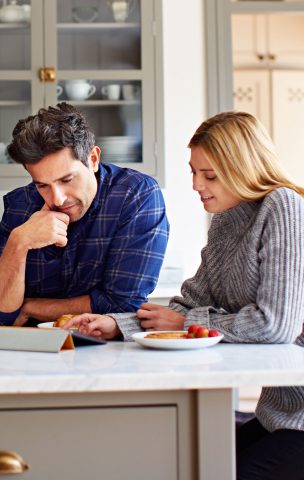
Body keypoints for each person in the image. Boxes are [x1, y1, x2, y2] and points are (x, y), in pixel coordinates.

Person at [65, 111, 304, 479]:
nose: (196, 184)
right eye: (194, 171)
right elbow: (189, 303)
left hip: (299, 420)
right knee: (189, 464)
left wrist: (187, 323)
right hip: (278, 414)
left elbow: (276, 325)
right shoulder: (226, 219)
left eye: (209, 175)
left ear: (244, 167)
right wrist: (117, 325)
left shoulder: (283, 206)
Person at [0, 102, 169, 327]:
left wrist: (31, 308)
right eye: (42, 185)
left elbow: (123, 304)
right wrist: (19, 243)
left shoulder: (135, 195)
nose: (56, 199)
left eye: (67, 180)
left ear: (93, 159)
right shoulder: (21, 204)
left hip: (105, 354)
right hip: (31, 353)